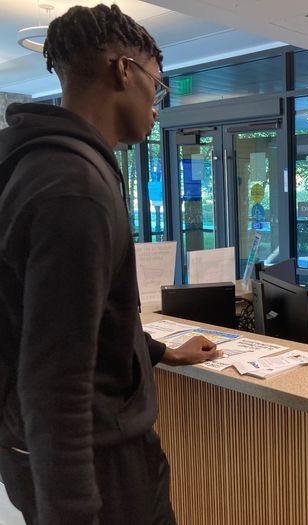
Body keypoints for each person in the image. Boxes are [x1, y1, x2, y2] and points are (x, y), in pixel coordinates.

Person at [0, 5, 223, 524]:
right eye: (157, 86)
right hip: (99, 463)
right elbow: (55, 379)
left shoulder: (37, 164)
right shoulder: (75, 189)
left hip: (33, 447)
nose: (156, 106)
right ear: (124, 70)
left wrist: (161, 352)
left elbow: (71, 319)